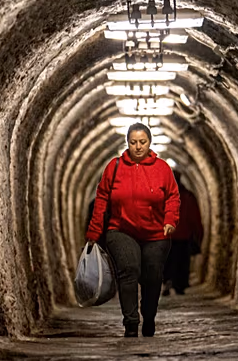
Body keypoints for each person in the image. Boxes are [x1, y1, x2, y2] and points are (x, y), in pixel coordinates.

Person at [85, 123, 179, 338]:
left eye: (142, 142)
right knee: (128, 270)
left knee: (152, 276)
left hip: (156, 234)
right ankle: (131, 322)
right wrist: (94, 231)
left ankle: (149, 316)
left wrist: (170, 219)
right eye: (133, 142)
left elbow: (173, 196)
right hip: (121, 230)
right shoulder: (114, 166)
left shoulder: (162, 168)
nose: (138, 147)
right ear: (127, 143)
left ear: (150, 142)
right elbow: (101, 199)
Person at [162, 177, 204, 295]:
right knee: (182, 261)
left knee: (167, 261)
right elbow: (195, 217)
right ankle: (179, 284)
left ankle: (167, 280)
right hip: (183, 236)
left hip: (167, 236)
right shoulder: (188, 197)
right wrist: (199, 234)